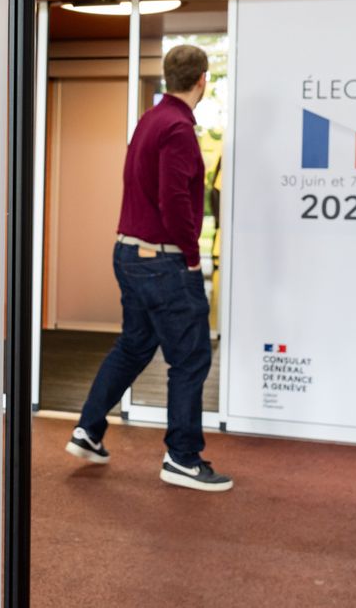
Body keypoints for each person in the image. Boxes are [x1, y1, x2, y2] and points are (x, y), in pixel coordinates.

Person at [65, 44, 233, 493]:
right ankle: (182, 458)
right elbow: (173, 199)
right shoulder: (178, 128)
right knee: (191, 356)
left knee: (135, 345)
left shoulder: (150, 120)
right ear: (203, 80)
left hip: (129, 253)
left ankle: (88, 430)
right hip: (162, 261)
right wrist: (192, 256)